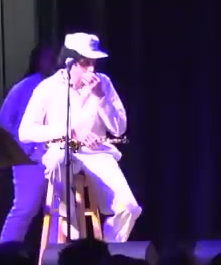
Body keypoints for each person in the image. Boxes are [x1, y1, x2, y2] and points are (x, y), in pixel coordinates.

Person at [18, 32, 141, 242]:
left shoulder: (103, 83)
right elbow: (26, 131)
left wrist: (101, 98)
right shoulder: (47, 88)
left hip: (97, 154)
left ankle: (108, 247)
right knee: (58, 161)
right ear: (70, 62)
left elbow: (119, 129)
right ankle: (70, 225)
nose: (91, 69)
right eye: (85, 63)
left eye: (94, 63)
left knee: (130, 208)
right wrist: (68, 131)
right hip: (62, 151)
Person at [0, 43, 59, 243]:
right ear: (38, 61)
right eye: (49, 58)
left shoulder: (61, 87)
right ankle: (5, 253)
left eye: (55, 58)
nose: (54, 62)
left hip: (56, 156)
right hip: (29, 158)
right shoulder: (25, 86)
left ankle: (53, 256)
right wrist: (25, 144)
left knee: (58, 211)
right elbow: (5, 118)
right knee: (25, 208)